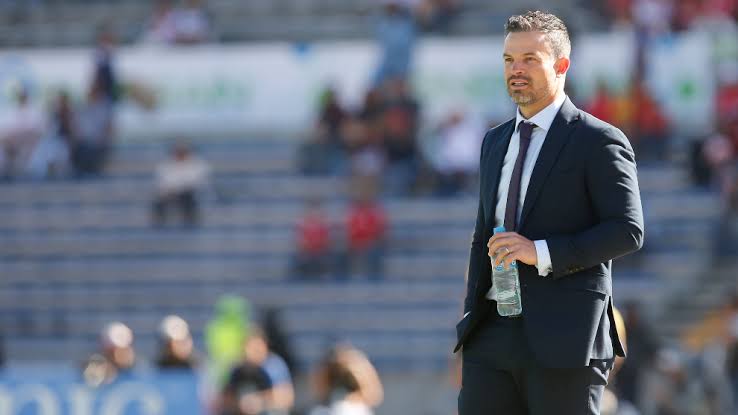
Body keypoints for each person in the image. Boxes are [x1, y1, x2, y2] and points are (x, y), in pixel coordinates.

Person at [454, 11, 644, 415]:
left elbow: (628, 230)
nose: (516, 70)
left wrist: (539, 252)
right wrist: (470, 316)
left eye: (529, 59)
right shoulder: (493, 141)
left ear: (561, 65)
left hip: (566, 338)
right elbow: (482, 236)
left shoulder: (599, 140)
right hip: (491, 332)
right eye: (509, 59)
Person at [152, 141, 210, 226]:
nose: (180, 152)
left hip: (190, 194)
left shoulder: (198, 164)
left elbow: (198, 182)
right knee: (159, 201)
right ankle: (159, 226)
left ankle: (190, 224)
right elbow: (163, 183)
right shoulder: (166, 164)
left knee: (187, 198)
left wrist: (179, 188)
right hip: (170, 194)